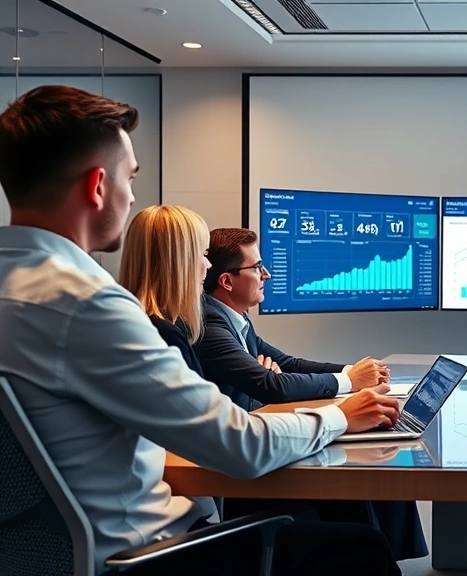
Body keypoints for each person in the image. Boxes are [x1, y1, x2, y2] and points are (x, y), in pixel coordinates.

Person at [0, 85, 404, 576]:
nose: (131, 197)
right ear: (97, 186)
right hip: (146, 557)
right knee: (360, 550)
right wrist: (343, 416)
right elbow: (243, 447)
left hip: (37, 557)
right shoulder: (88, 306)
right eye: (130, 179)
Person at [119, 206, 429, 561]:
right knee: (364, 544)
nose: (206, 268)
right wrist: (340, 414)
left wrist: (349, 377)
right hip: (188, 523)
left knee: (357, 506)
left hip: (189, 507)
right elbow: (239, 430)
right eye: (202, 256)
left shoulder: (153, 330)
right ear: (181, 262)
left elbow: (275, 373)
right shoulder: (169, 337)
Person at [193, 227, 389, 412]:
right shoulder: (209, 324)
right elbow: (272, 386)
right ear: (227, 281)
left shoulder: (236, 318)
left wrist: (354, 371)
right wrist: (351, 380)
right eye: (257, 267)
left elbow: (288, 364)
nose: (266, 275)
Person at [119, 205, 213, 375]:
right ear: (180, 262)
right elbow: (194, 401)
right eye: (204, 254)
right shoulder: (164, 335)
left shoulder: (132, 322)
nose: (209, 264)